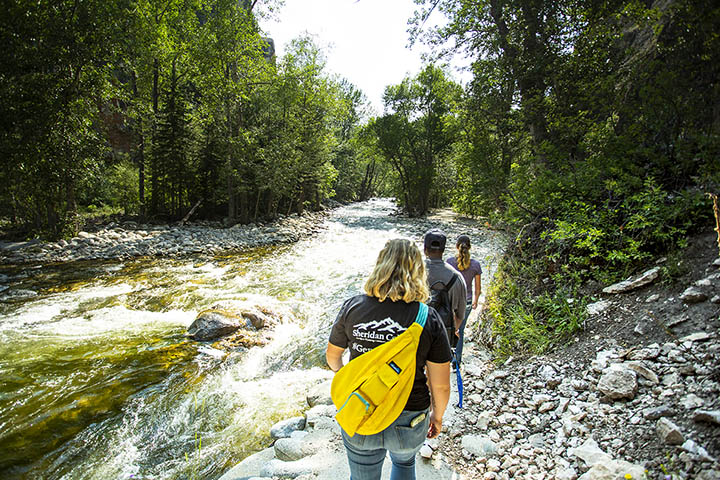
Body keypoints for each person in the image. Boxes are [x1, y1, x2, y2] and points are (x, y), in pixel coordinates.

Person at [326, 239, 452, 480]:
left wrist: (349, 380)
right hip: (410, 415)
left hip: (361, 407)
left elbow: (333, 357)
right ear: (418, 271)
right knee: (405, 466)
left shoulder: (352, 307)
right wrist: (437, 416)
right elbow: (441, 385)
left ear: (380, 266)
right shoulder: (428, 317)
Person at [423, 229, 466, 355]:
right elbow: (460, 315)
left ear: (425, 248)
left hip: (414, 336)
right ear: (443, 250)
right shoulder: (456, 277)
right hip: (443, 337)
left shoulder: (412, 273)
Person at [446, 234, 482, 368]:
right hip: (466, 301)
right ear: (470, 247)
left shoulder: (449, 262)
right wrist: (476, 301)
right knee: (459, 330)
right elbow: (478, 287)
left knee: (447, 328)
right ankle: (457, 361)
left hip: (450, 301)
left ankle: (445, 357)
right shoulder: (476, 265)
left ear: (456, 246)